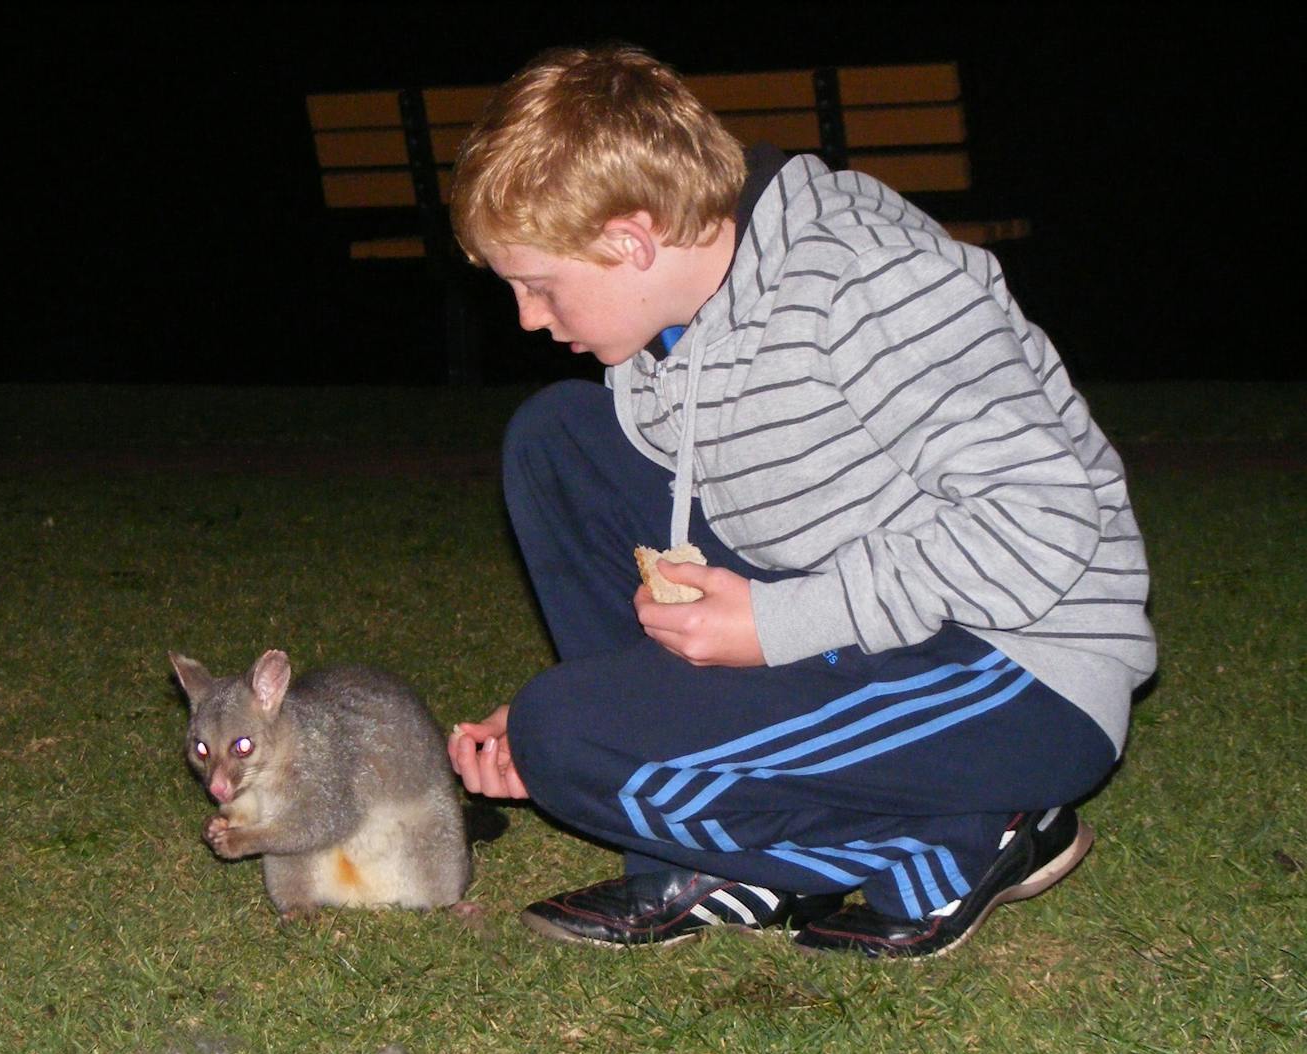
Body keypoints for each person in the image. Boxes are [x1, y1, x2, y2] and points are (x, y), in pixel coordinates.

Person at [443, 45, 1156, 958]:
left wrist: (780, 622)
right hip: (863, 633)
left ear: (632, 239)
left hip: (1017, 667)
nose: (529, 319)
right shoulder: (671, 328)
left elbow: (1042, 519)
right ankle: (708, 837)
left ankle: (974, 830)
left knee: (563, 734)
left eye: (538, 286)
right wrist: (617, 702)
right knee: (558, 442)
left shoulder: (864, 275)